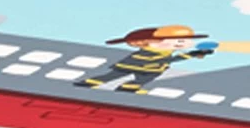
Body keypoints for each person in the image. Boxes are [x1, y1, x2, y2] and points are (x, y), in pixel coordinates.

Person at [74, 24, 215, 93]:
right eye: (178, 41)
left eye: (185, 40)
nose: (183, 44)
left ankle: (127, 88)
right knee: (112, 75)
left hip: (150, 69)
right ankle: (88, 83)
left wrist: (196, 54)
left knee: (143, 79)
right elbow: (168, 60)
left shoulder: (165, 50)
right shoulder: (155, 51)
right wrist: (191, 55)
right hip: (136, 65)